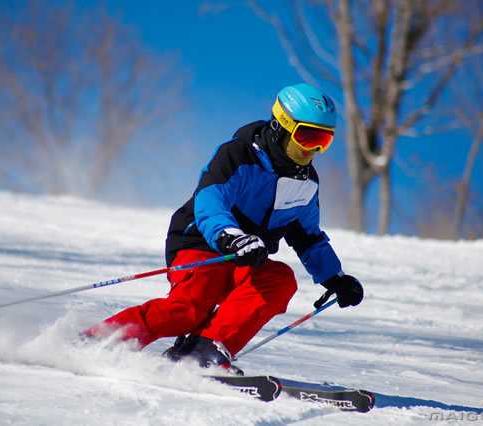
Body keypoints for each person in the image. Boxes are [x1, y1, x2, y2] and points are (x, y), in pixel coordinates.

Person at [83, 83, 364, 374]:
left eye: (324, 141)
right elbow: (210, 200)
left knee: (278, 279)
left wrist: (335, 278)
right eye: (307, 137)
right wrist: (231, 237)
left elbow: (307, 236)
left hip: (247, 257)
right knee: (188, 311)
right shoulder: (239, 155)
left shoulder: (305, 182)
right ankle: (99, 341)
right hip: (202, 243)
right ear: (282, 126)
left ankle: (203, 351)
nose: (314, 149)